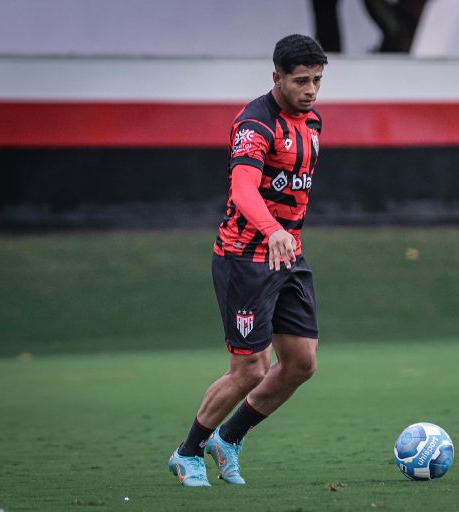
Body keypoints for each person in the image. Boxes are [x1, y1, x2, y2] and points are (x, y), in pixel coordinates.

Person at [168, 34, 328, 487]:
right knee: (250, 368)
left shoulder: (313, 122)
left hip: (289, 257)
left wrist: (285, 237)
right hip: (246, 258)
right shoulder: (255, 124)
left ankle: (229, 438)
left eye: (317, 80)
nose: (311, 89)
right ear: (276, 77)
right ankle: (188, 452)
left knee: (300, 363)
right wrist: (272, 230)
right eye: (301, 80)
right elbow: (243, 189)